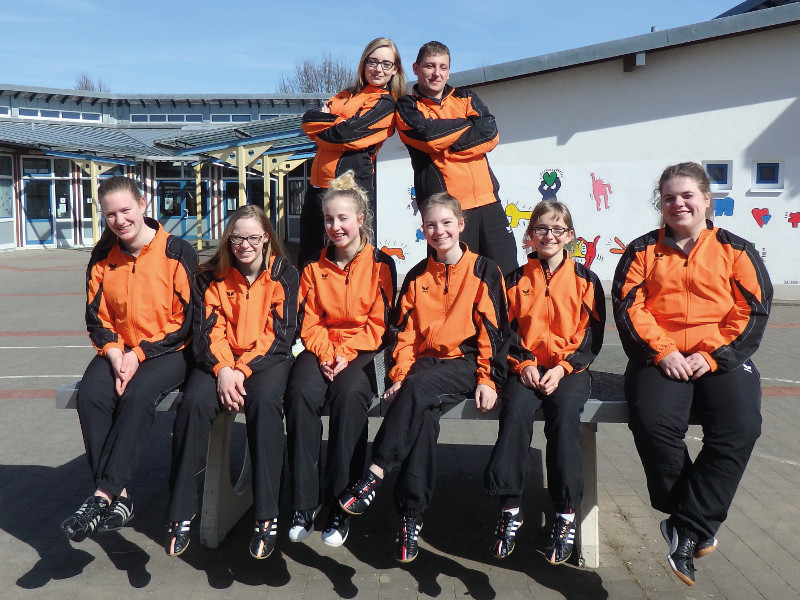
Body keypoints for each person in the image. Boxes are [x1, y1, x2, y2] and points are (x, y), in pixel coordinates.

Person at [612, 162, 772, 586]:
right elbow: (630, 308)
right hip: (660, 357)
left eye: (687, 196)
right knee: (653, 424)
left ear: (706, 200)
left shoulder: (736, 249)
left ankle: (684, 526)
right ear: (660, 204)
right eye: (669, 197)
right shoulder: (641, 250)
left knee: (741, 428)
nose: (678, 203)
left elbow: (753, 309)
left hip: (719, 355)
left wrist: (716, 354)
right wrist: (663, 352)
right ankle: (690, 518)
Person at [338, 192, 510, 563]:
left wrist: (488, 379)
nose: (439, 231)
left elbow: (494, 336)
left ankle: (376, 470)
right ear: (423, 230)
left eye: (446, 223)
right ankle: (410, 517)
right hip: (424, 369)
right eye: (431, 224)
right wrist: (398, 375)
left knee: (416, 389)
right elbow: (403, 335)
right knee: (423, 417)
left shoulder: (484, 271)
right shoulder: (417, 275)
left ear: (461, 225)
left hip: (465, 363)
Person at [61, 176, 197, 543]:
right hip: (119, 349)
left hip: (168, 351)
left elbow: (186, 320)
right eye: (111, 215)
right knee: (91, 395)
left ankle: (102, 494)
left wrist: (138, 355)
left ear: (142, 204)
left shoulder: (177, 251)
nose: (120, 220)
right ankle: (121, 498)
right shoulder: (103, 258)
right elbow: (96, 316)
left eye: (125, 210)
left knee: (137, 398)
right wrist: (116, 351)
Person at [165, 205, 298, 559]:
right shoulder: (209, 276)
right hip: (218, 363)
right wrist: (224, 368)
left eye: (253, 237)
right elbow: (208, 330)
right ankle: (180, 513)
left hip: (265, 362)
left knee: (267, 405)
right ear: (228, 238)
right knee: (192, 404)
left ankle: (266, 516)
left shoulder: (284, 273)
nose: (245, 245)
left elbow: (280, 336)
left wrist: (242, 369)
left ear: (266, 238)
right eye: (237, 237)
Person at [484, 200, 605, 564]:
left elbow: (593, 336)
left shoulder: (587, 279)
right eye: (541, 229)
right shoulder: (514, 279)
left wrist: (564, 368)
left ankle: (565, 516)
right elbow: (502, 332)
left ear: (570, 236)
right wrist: (523, 364)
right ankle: (509, 510)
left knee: (565, 419)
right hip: (527, 368)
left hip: (568, 371)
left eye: (557, 229)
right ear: (530, 236)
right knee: (516, 413)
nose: (549, 236)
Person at [285, 171, 396, 548]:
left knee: (350, 399)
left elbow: (379, 324)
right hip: (321, 348)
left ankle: (339, 504)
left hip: (364, 351)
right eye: (329, 219)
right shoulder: (313, 267)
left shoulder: (382, 265)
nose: (335, 227)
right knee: (299, 393)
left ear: (361, 219)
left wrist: (346, 354)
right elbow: (309, 320)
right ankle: (303, 502)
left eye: (343, 218)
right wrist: (327, 352)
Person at [395, 41, 518, 275]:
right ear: (416, 68)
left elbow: (490, 136)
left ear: (449, 71)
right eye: (430, 66)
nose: (436, 73)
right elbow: (429, 138)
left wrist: (446, 145)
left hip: (489, 201)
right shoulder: (407, 107)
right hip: (448, 210)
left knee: (506, 277)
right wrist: (469, 125)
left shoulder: (467, 98)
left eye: (443, 67)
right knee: (452, 280)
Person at [298, 37, 407, 266]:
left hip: (350, 192)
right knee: (309, 262)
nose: (378, 69)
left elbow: (345, 135)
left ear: (395, 69)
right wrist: (337, 124)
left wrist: (330, 122)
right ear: (364, 63)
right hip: (317, 188)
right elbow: (309, 121)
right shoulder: (346, 94)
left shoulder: (385, 103)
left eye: (386, 64)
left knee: (348, 262)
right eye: (373, 61)